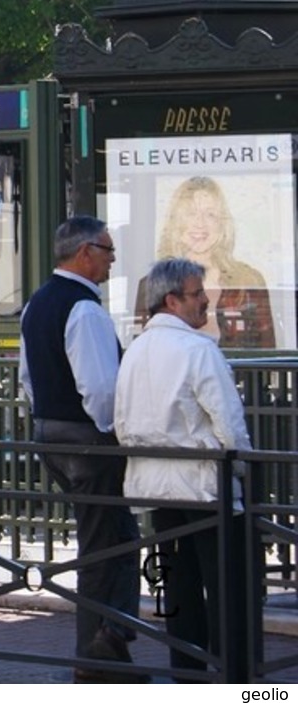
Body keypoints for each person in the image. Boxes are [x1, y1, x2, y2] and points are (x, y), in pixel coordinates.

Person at [116, 258, 253, 679]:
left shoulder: (134, 351)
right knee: (228, 589)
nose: (206, 301)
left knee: (177, 588)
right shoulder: (199, 350)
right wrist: (244, 467)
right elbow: (229, 424)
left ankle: (186, 673)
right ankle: (236, 675)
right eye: (197, 294)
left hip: (154, 488)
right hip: (204, 487)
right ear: (171, 300)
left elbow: (121, 422)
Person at [19, 216, 141, 681]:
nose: (113, 259)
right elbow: (101, 392)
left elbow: (27, 379)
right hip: (88, 441)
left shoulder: (37, 303)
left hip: (51, 434)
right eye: (108, 250)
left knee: (107, 539)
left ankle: (106, 649)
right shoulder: (85, 309)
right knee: (110, 543)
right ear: (85, 252)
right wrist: (115, 437)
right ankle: (98, 654)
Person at [136, 177, 276, 349]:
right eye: (191, 213)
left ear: (222, 224)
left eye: (210, 214)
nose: (200, 223)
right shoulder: (151, 285)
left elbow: (268, 353)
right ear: (176, 221)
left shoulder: (249, 281)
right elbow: (145, 348)